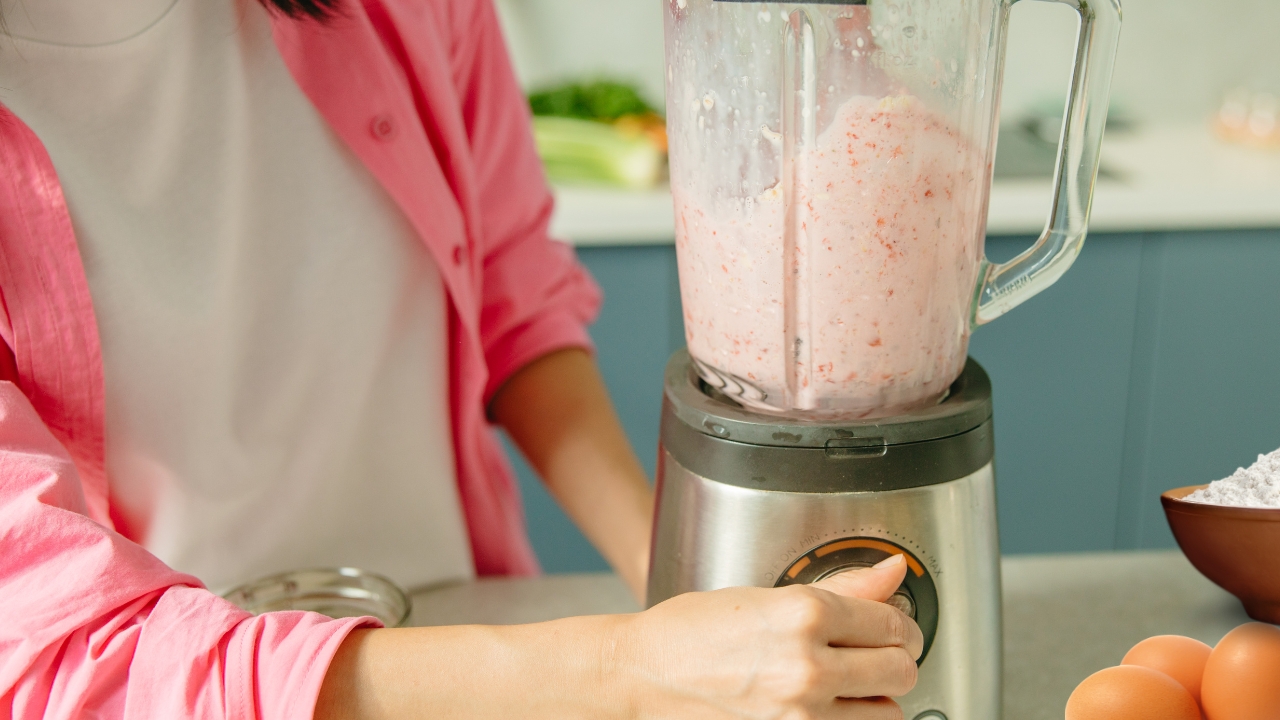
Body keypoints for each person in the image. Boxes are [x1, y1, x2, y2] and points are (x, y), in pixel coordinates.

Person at [0, 0, 923, 717]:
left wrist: (686, 588)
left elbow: (511, 298)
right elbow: (66, 656)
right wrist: (635, 671)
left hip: (478, 658)